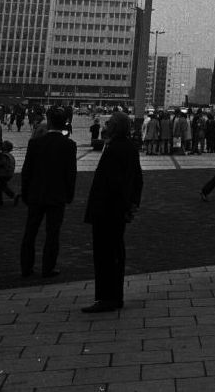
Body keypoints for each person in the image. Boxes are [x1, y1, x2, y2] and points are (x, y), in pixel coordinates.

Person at [82, 111, 143, 312]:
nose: (105, 126)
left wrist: (122, 205)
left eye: (109, 123)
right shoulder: (129, 147)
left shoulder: (116, 149)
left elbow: (112, 184)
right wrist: (132, 205)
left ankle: (107, 297)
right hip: (117, 210)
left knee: (105, 254)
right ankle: (112, 296)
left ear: (115, 127)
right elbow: (137, 180)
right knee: (115, 252)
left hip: (108, 210)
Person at [19, 107, 77, 279]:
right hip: (57, 195)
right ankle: (48, 268)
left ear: (49, 121)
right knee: (53, 234)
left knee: (30, 232)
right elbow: (71, 173)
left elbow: (26, 171)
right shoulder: (69, 145)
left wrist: (25, 192)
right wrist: (69, 194)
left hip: (35, 194)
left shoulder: (35, 144)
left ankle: (26, 267)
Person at [0, 141, 18, 206]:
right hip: (8, 173)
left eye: (3, 145)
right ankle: (13, 195)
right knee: (3, 186)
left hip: (4, 173)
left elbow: (1, 163)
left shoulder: (3, 155)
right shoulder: (9, 155)